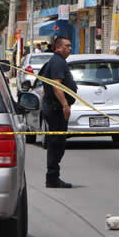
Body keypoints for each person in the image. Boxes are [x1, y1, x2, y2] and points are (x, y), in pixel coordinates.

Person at [41, 36, 76, 188]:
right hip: (56, 109)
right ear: (58, 48)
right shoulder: (57, 62)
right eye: (67, 46)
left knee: (57, 143)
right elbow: (57, 86)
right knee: (57, 143)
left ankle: (53, 177)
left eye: (70, 46)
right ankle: (53, 178)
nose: (70, 48)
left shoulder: (56, 61)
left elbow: (45, 83)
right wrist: (65, 106)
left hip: (54, 107)